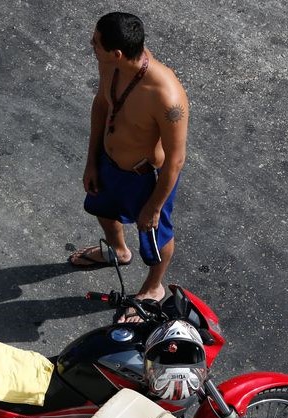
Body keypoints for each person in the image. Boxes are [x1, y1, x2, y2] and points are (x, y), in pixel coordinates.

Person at [69, 12, 188, 321]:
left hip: (145, 177)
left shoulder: (166, 96)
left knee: (155, 241)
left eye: (95, 43)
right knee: (102, 209)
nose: (91, 45)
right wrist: (92, 160)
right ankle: (118, 251)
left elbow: (175, 159)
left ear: (117, 52)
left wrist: (154, 206)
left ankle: (153, 288)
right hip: (110, 163)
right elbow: (102, 104)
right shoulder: (110, 65)